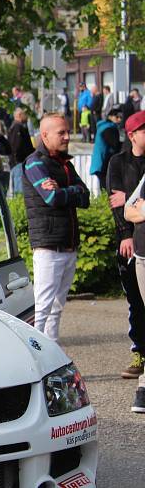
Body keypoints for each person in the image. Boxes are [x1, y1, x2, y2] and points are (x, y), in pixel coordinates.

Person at [23, 113, 89, 341]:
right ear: (45, 135)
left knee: (56, 309)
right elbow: (52, 198)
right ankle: (36, 359)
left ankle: (52, 357)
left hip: (68, 244)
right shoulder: (35, 162)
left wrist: (63, 189)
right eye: (61, 132)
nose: (67, 137)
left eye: (67, 131)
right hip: (49, 246)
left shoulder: (65, 164)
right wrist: (71, 191)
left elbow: (86, 196)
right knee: (42, 309)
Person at [107, 109, 145, 380]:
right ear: (132, 135)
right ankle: (139, 352)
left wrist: (129, 198)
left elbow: (129, 200)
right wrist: (125, 234)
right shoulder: (118, 162)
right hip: (131, 239)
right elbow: (116, 203)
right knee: (136, 302)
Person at [90, 106, 123, 190]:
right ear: (110, 116)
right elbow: (115, 145)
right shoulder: (109, 128)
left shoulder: (103, 126)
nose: (119, 119)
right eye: (117, 117)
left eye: (121, 117)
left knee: (104, 187)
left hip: (99, 162)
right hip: (104, 162)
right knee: (107, 188)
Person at [7, 108, 34, 195]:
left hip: (21, 162)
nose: (26, 116)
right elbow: (16, 146)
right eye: (24, 114)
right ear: (19, 115)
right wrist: (18, 160)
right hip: (19, 162)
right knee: (20, 191)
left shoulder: (19, 127)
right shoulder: (17, 128)